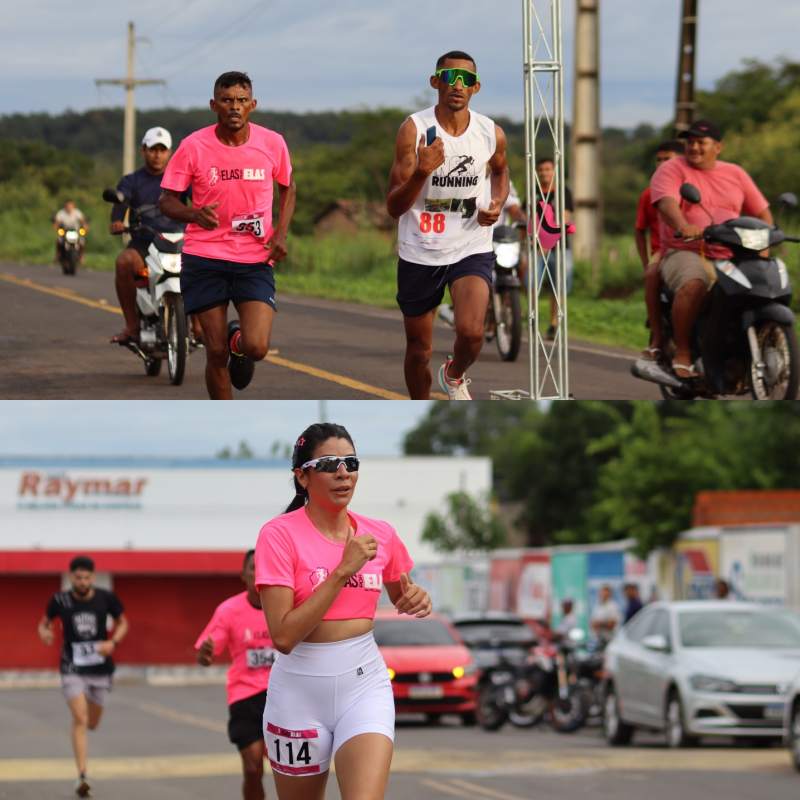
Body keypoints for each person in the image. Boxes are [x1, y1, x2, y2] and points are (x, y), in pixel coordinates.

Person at [255, 423, 432, 800]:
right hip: (298, 691)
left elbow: (404, 593)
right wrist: (341, 571)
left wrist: (418, 599)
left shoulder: (379, 533)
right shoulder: (278, 535)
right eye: (330, 463)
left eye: (351, 463)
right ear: (302, 476)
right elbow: (284, 637)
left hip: (363, 683)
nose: (343, 472)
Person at [160, 71, 297, 399]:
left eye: (240, 101)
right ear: (213, 105)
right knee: (215, 353)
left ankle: (240, 342)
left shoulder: (272, 143)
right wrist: (193, 213)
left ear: (252, 104)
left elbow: (288, 187)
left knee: (257, 347)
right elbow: (166, 200)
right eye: (226, 100)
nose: (234, 107)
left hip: (255, 258)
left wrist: (281, 233)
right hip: (204, 257)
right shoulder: (193, 146)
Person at [387, 51, 509, 400]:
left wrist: (496, 203)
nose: (457, 85)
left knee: (471, 334)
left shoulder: (490, 132)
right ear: (434, 81)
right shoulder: (415, 130)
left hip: (471, 245)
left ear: (476, 88)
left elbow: (500, 170)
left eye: (466, 80)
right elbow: (394, 206)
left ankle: (454, 375)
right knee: (418, 350)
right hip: (420, 250)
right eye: (449, 77)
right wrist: (422, 171)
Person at [648, 120, 772, 378]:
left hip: (733, 254)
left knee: (762, 287)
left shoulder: (735, 173)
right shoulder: (672, 168)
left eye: (701, 142)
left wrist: (767, 239)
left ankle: (741, 353)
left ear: (718, 147)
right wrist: (684, 225)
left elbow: (761, 212)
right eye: (690, 142)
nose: (694, 147)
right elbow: (666, 203)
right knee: (695, 282)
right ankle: (683, 352)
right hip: (688, 250)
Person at [37, 555, 128, 798]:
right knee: (80, 717)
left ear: (93, 578)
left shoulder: (105, 598)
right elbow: (44, 623)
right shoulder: (60, 600)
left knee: (92, 723)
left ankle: (85, 723)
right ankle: (82, 777)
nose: (82, 581)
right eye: (78, 577)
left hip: (100, 668)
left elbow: (123, 623)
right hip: (72, 668)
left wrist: (113, 642)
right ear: (71, 577)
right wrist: (44, 633)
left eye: (87, 577)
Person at [195, 550, 274, 800]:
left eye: (264, 568)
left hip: (284, 695)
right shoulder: (229, 610)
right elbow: (206, 653)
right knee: (253, 768)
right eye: (253, 568)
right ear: (243, 575)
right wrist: (205, 655)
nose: (258, 573)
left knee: (290, 768)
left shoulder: (288, 604)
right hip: (245, 695)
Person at [109, 126, 193, 344]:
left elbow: (199, 200)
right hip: (144, 243)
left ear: (170, 152)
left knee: (204, 267)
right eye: (152, 149)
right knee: (124, 262)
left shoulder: (181, 179)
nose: (157, 154)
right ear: (143, 150)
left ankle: (200, 327)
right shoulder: (131, 181)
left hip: (179, 242)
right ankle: (132, 325)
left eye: (162, 150)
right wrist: (117, 221)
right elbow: (121, 201)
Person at [637, 140, 685, 359]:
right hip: (663, 249)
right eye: (659, 159)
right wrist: (646, 261)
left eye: (668, 158)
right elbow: (640, 230)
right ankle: (657, 338)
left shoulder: (694, 186)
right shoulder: (649, 194)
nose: (663, 163)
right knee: (651, 274)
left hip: (699, 247)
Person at [534, 157, 574, 340]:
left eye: (548, 169)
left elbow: (564, 218)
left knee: (559, 286)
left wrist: (548, 240)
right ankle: (532, 318)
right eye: (541, 169)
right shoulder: (533, 191)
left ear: (554, 171)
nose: (544, 173)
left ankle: (554, 322)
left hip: (559, 247)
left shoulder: (563, 192)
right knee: (531, 283)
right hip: (536, 249)